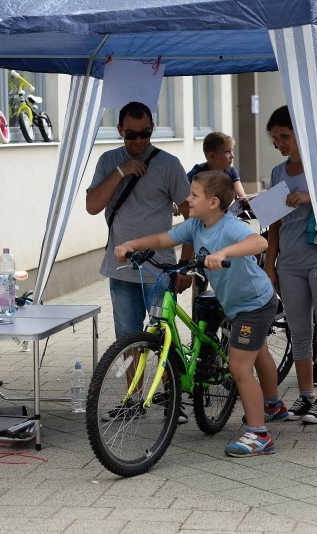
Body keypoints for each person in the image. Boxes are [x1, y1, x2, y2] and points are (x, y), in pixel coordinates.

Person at [114, 171, 287, 457]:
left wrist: (224, 253)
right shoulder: (196, 225)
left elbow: (260, 243)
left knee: (239, 368)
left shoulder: (229, 226)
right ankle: (272, 405)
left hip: (255, 304)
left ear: (213, 202)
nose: (188, 199)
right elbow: (162, 238)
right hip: (237, 303)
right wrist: (133, 244)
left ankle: (259, 435)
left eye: (194, 195)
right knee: (259, 354)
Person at [85, 101, 193, 424]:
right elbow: (92, 205)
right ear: (120, 131)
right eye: (131, 135)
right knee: (128, 337)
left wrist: (185, 264)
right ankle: (134, 399)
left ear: (152, 129)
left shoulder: (168, 164)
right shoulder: (109, 161)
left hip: (160, 269)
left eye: (145, 134)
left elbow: (192, 215)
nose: (139, 141)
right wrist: (122, 172)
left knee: (164, 336)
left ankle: (170, 399)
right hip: (120, 268)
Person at [262, 105, 317, 424]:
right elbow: (273, 223)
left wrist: (309, 197)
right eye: (275, 138)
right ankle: (306, 395)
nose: (279, 143)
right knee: (298, 332)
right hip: (289, 263)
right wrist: (270, 265)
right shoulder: (277, 172)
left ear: (301, 133)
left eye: (284, 136)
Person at [186, 132, 246, 199]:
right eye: (227, 152)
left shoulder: (231, 171)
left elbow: (242, 197)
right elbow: (180, 194)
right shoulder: (196, 174)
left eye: (232, 151)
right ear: (212, 156)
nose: (232, 156)